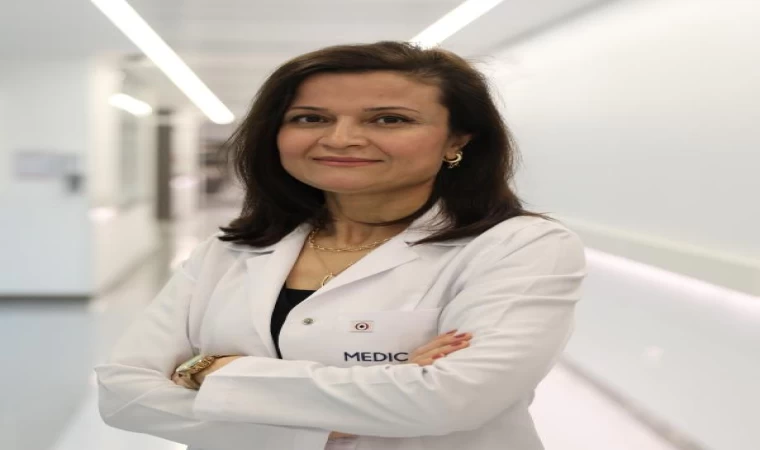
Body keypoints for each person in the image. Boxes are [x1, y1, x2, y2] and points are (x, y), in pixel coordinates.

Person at [95, 41, 586, 450]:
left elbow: (449, 401)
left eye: (389, 120)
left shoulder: (520, 248)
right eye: (310, 118)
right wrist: (354, 408)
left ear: (456, 140)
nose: (341, 138)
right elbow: (124, 394)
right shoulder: (230, 250)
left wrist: (214, 371)